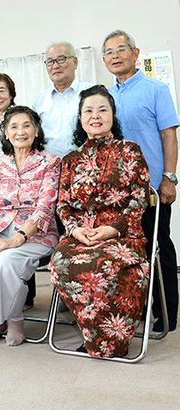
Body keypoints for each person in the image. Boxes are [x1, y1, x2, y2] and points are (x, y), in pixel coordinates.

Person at [50, 85, 151, 357]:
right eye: (89, 111)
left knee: (105, 264)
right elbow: (63, 204)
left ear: (113, 116)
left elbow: (140, 198)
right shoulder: (71, 160)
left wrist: (112, 228)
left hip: (122, 234)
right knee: (61, 262)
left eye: (102, 109)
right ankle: (95, 335)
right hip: (81, 235)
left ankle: (109, 342)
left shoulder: (130, 150)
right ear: (80, 119)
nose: (95, 116)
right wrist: (76, 230)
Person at [104, 30, 179, 332]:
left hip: (150, 188)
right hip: (116, 192)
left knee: (157, 247)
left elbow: (168, 135)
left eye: (121, 49)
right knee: (128, 253)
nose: (115, 56)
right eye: (109, 52)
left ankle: (168, 314)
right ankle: (138, 310)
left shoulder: (155, 89)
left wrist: (170, 177)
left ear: (136, 54)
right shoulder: (106, 96)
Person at [0, 106, 60, 347]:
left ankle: (13, 320)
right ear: (6, 134)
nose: (21, 131)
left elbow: (45, 207)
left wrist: (17, 239)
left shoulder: (50, 162)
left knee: (4, 262)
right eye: (14, 127)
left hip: (36, 234)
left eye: (27, 125)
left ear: (36, 131)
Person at [33, 41, 93, 158]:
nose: (55, 66)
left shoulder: (92, 93)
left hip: (87, 165)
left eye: (61, 59)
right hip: (50, 168)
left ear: (75, 62)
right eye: (50, 62)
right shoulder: (39, 101)